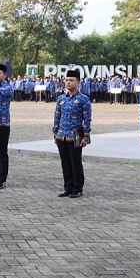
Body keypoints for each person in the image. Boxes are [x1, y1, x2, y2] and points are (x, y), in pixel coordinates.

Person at [52, 69, 92, 198]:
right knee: (65, 162)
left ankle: (77, 188)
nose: (68, 83)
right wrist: (55, 132)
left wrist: (86, 136)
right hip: (62, 133)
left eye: (71, 80)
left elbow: (87, 119)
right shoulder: (61, 98)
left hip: (76, 134)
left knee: (75, 162)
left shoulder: (83, 99)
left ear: (78, 82)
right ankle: (67, 187)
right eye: (67, 80)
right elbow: (57, 116)